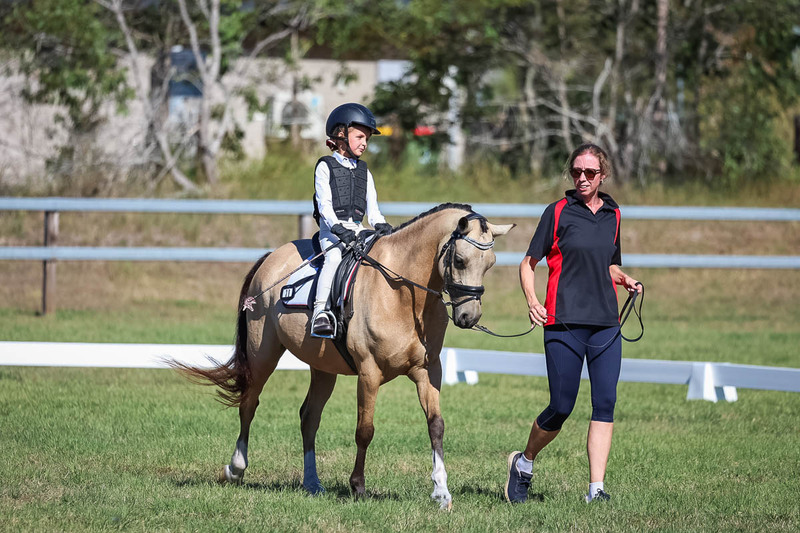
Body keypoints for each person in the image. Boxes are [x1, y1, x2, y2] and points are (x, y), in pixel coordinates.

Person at [504, 143, 642, 504]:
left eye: (590, 173)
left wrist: (623, 279)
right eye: (576, 172)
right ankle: (524, 462)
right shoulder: (558, 212)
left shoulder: (614, 214)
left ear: (603, 175)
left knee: (605, 403)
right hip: (563, 321)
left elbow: (609, 263)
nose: (582, 178)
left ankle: (596, 490)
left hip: (606, 324)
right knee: (561, 406)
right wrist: (533, 301)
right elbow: (527, 263)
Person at [310, 103, 392, 338]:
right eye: (359, 137)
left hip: (358, 230)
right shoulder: (325, 166)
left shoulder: (365, 171)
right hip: (332, 232)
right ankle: (320, 313)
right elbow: (324, 204)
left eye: (367, 139)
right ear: (341, 135)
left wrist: (381, 225)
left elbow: (373, 210)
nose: (364, 143)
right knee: (334, 258)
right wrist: (336, 228)